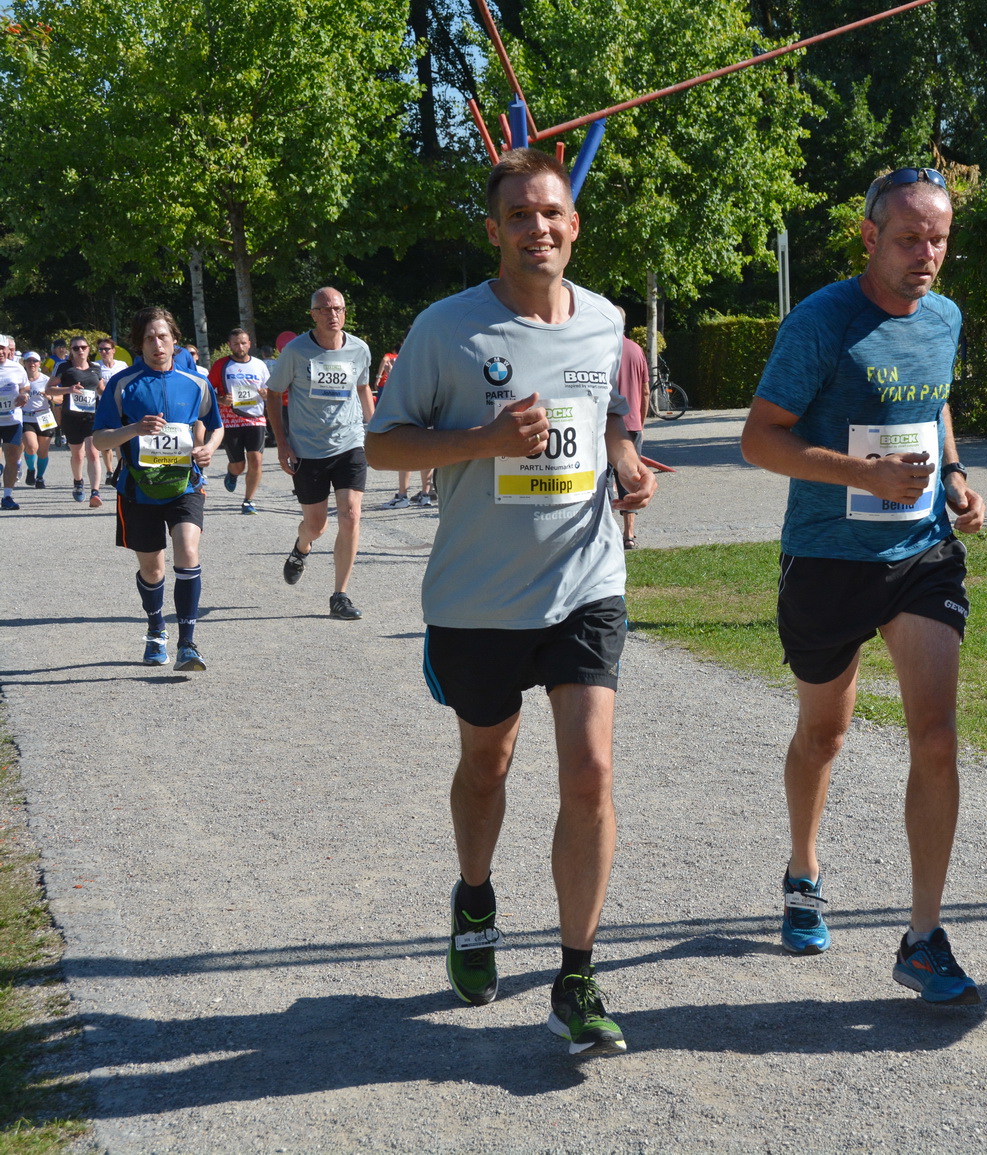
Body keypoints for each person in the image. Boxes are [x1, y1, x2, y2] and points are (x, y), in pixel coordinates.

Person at [366, 147, 655, 1056]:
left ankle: (577, 974)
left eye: (552, 214)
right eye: (520, 217)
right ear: (494, 233)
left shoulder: (606, 321)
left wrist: (625, 462)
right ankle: (476, 895)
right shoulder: (445, 329)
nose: (539, 229)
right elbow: (384, 449)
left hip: (584, 582)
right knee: (488, 764)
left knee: (591, 771)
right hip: (478, 597)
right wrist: (485, 439)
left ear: (575, 225)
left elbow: (606, 417)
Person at [739, 167, 987, 1004]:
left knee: (938, 735)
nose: (927, 255)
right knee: (825, 733)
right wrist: (860, 473)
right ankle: (804, 868)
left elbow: (937, 400)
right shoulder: (821, 322)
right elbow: (759, 439)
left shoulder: (946, 316)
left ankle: (922, 936)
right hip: (829, 557)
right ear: (868, 234)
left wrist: (952, 473)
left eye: (940, 239)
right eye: (911, 237)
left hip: (921, 552)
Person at [91, 306, 223, 671]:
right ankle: (155, 629)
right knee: (153, 570)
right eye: (149, 337)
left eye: (163, 336)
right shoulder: (123, 384)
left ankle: (188, 643)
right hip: (138, 490)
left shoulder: (195, 382)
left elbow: (216, 425)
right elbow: (100, 440)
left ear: (174, 339)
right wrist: (133, 429)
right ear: (140, 343)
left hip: (186, 485)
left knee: (187, 549)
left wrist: (208, 449)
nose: (157, 343)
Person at [266, 288, 373, 620]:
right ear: (312, 314)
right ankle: (302, 546)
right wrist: (282, 443)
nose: (333, 315)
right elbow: (273, 393)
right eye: (325, 309)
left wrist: (379, 430)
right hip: (308, 449)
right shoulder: (296, 352)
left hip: (350, 443)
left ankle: (340, 595)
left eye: (338, 308)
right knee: (316, 526)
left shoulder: (359, 349)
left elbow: (363, 388)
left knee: (351, 515)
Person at [208, 328, 271, 514]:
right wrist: (221, 400)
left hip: (255, 418)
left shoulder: (259, 365)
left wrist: (265, 393)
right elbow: (207, 390)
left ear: (249, 344)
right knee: (239, 465)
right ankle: (232, 473)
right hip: (230, 419)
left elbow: (269, 389)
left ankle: (248, 500)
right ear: (229, 345)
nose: (240, 346)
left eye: (243, 343)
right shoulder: (221, 365)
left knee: (256, 460)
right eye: (236, 343)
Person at [373, 349, 435, 509]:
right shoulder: (431, 361)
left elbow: (401, 389)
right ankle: (425, 494)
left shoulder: (409, 362)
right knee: (427, 455)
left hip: (411, 414)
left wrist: (391, 374)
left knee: (406, 453)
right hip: (428, 413)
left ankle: (402, 495)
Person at [614, 308, 649, 547]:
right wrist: (641, 420)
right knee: (630, 479)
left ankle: (602, 531)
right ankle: (629, 535)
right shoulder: (636, 350)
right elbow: (646, 390)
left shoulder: (600, 350)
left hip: (605, 424)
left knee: (602, 480)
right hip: (633, 423)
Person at [57, 337, 105, 505]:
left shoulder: (95, 369)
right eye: (76, 348)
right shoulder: (65, 368)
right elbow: (49, 388)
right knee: (77, 455)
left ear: (88, 349)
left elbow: (102, 390)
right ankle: (78, 482)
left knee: (93, 453)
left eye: (83, 347)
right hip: (71, 417)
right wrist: (69, 389)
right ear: (71, 350)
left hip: (92, 416)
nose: (80, 351)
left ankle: (95, 492)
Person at [18, 351, 61, 488]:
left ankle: (40, 477)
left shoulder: (46, 380)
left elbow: (61, 398)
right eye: (29, 361)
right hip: (26, 417)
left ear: (39, 363)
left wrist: (50, 397)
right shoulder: (20, 379)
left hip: (44, 417)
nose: (32, 364)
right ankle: (31, 469)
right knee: (31, 447)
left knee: (43, 452)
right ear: (24, 363)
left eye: (35, 361)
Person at [95, 337, 125, 486]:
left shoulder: (122, 366)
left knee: (120, 439)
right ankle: (109, 470)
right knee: (106, 441)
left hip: (120, 407)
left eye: (106, 349)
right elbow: (99, 388)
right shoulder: (96, 366)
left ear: (113, 350)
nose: (104, 352)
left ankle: (121, 469)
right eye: (101, 349)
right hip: (103, 406)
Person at [0, 336, 24, 510]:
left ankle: (7, 496)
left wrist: (24, 395)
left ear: (8, 350)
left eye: (3, 348)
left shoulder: (16, 368)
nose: (0, 352)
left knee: (12, 457)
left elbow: (25, 386)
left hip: (12, 420)